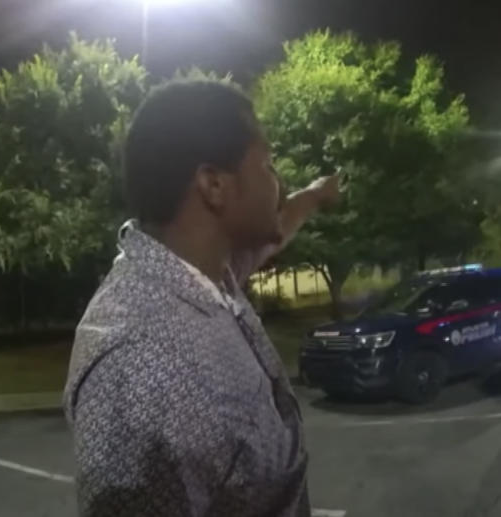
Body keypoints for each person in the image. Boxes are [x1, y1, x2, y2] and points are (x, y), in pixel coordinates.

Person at [63, 79, 340, 517]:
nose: (278, 184)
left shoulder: (205, 276)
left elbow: (276, 229)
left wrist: (316, 195)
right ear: (214, 184)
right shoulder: (142, 368)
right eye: (268, 166)